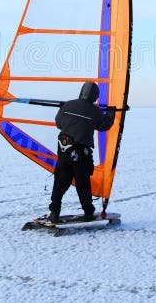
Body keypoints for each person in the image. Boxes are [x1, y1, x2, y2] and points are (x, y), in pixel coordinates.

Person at [49, 81, 115, 223]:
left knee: (60, 181)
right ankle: (88, 212)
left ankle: (54, 211)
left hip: (64, 150)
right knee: (82, 183)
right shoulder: (95, 111)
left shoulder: (68, 105)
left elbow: (59, 124)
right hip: (81, 153)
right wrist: (111, 114)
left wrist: (62, 109)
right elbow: (104, 125)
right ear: (95, 96)